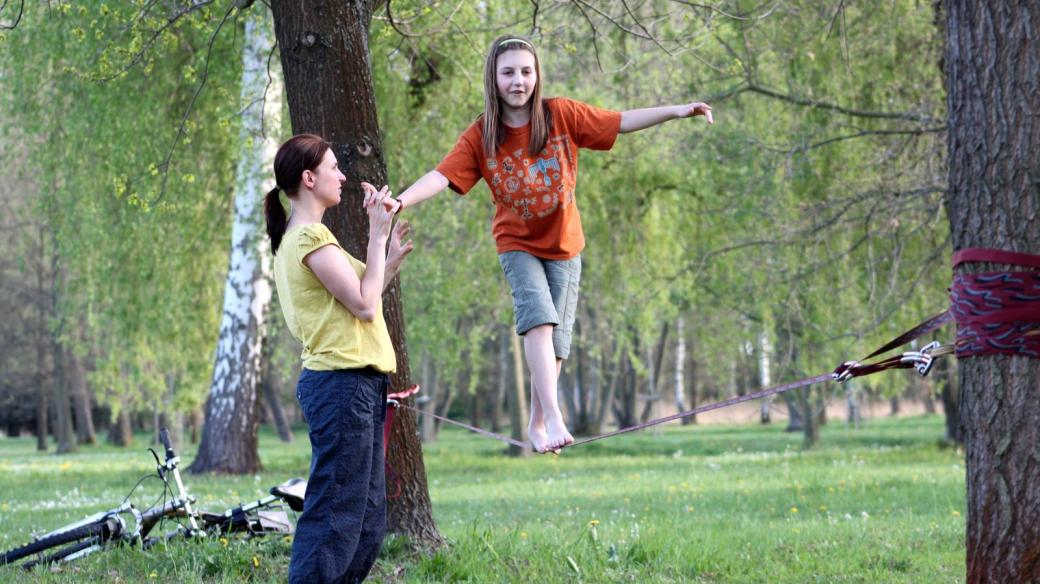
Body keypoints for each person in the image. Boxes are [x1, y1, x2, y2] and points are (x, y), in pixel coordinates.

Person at [389, 35, 713, 454]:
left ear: (537, 75)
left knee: (558, 343)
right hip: (516, 243)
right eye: (508, 73)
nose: (518, 81)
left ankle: (537, 422)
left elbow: (620, 120)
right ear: (494, 78)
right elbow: (441, 175)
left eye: (526, 71)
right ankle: (555, 416)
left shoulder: (561, 115)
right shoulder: (482, 134)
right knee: (538, 318)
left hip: (565, 245)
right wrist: (399, 200)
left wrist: (677, 111)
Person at [264, 134, 413, 583]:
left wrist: (387, 258)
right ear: (309, 179)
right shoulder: (309, 237)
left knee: (366, 523)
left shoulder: (311, 240)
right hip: (340, 386)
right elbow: (366, 307)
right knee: (335, 517)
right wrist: (376, 234)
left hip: (359, 385)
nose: (343, 175)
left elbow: (360, 295)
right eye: (334, 167)